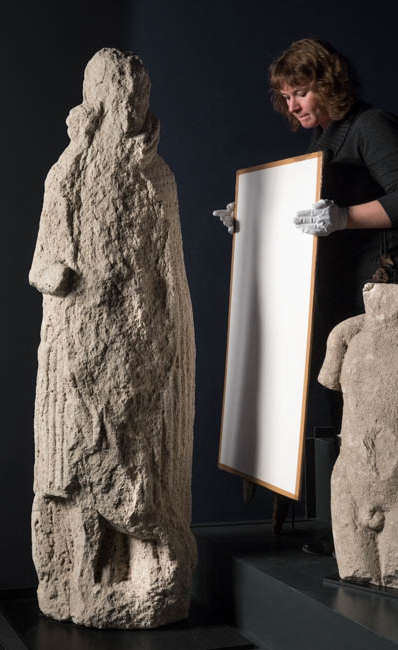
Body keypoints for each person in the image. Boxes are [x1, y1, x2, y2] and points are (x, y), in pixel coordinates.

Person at [214, 38, 398, 553]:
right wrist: (249, 217)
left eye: (299, 92)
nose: (291, 105)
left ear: (327, 83)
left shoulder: (371, 126)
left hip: (378, 294)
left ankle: (375, 540)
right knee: (343, 411)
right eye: (285, 96)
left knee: (372, 419)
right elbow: (305, 214)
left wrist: (346, 217)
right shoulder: (326, 140)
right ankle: (351, 538)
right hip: (338, 294)